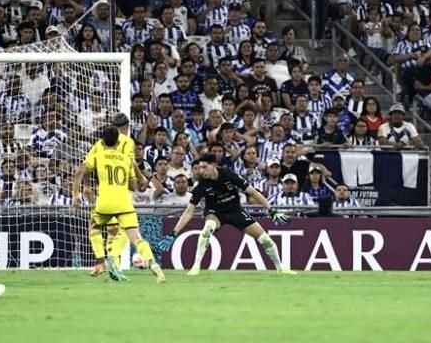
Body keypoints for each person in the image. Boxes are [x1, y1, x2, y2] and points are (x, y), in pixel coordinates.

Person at [166, 153, 296, 275]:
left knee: (265, 239)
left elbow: (253, 192)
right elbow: (189, 211)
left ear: (214, 166)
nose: (201, 171)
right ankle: (196, 266)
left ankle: (280, 268)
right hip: (215, 212)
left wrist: (271, 210)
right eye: (199, 168)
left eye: (205, 167)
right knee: (207, 228)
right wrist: (174, 232)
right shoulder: (201, 185)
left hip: (235, 210)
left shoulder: (228, 174)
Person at [73, 125, 165, 283]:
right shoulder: (126, 159)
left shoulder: (98, 155)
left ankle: (101, 260)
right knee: (136, 238)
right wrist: (140, 180)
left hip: (104, 203)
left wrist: (76, 194)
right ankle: (153, 264)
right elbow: (134, 186)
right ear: (118, 142)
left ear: (102, 141)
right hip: (124, 203)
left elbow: (80, 170)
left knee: (93, 228)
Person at [84, 113, 149, 278]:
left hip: (104, 192)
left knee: (107, 229)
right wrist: (141, 178)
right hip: (122, 191)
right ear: (126, 127)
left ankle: (104, 263)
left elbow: (85, 165)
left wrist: (86, 186)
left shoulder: (100, 143)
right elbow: (130, 163)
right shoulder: (127, 141)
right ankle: (114, 263)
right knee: (123, 231)